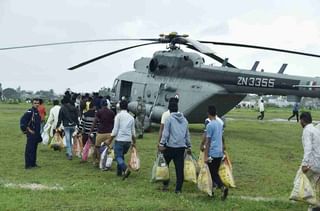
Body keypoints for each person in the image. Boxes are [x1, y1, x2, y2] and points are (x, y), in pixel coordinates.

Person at [158, 100, 191, 194]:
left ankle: (165, 184)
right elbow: (187, 134)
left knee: (165, 165)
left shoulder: (169, 119)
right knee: (179, 168)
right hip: (181, 147)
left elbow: (166, 133)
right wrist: (189, 146)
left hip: (170, 147)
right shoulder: (184, 120)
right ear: (177, 109)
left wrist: (161, 144)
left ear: (169, 109)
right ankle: (178, 189)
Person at [204, 105, 228, 200]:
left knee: (212, 173)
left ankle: (222, 187)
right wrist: (223, 148)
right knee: (215, 172)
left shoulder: (210, 125)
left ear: (208, 113)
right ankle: (212, 191)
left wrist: (206, 155)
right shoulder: (219, 124)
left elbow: (208, 141)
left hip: (213, 152)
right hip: (219, 152)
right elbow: (222, 137)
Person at [106, 100, 136, 179]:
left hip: (120, 139)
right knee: (121, 155)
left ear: (119, 107)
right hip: (128, 141)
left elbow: (115, 130)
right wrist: (134, 142)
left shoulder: (118, 116)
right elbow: (133, 132)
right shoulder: (131, 117)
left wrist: (110, 140)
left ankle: (125, 169)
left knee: (117, 156)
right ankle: (119, 172)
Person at [299, 112, 320, 210]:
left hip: (312, 164)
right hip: (318, 163)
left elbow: (308, 148)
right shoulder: (316, 129)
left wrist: (304, 164)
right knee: (316, 184)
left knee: (299, 180)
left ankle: (310, 204)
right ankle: (315, 206)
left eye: (300, 120)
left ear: (302, 121)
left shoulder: (307, 130)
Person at [91, 99, 115, 167]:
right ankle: (107, 163)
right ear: (107, 104)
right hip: (109, 133)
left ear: (101, 104)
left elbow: (95, 122)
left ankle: (99, 161)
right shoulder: (111, 112)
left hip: (101, 132)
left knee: (97, 147)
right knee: (109, 149)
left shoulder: (99, 112)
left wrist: (91, 130)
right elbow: (113, 123)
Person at [20, 98, 42, 169]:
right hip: (31, 134)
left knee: (34, 149)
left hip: (36, 134)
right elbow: (23, 121)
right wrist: (28, 130)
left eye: (38, 103)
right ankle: (28, 165)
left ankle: (33, 164)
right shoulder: (30, 111)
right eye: (35, 103)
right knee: (29, 149)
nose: (37, 104)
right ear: (32, 103)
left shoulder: (37, 111)